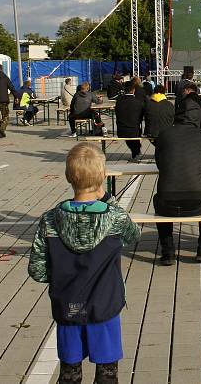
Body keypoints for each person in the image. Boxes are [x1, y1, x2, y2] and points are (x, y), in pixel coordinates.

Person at [28, 143, 140, 384]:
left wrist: (59, 275)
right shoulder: (113, 217)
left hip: (67, 305)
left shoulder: (50, 220)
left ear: (69, 177)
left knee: (69, 372)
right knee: (107, 372)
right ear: (101, 177)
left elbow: (37, 269)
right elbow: (133, 235)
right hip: (105, 304)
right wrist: (108, 199)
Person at [153, 105, 201, 264]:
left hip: (167, 202)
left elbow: (159, 163)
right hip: (198, 201)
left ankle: (168, 252)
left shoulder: (164, 135)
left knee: (158, 200)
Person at [115, 80, 145, 162]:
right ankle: (136, 152)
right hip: (134, 130)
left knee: (130, 134)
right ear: (134, 90)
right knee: (134, 133)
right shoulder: (138, 103)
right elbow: (141, 117)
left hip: (121, 131)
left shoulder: (119, 102)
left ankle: (136, 151)